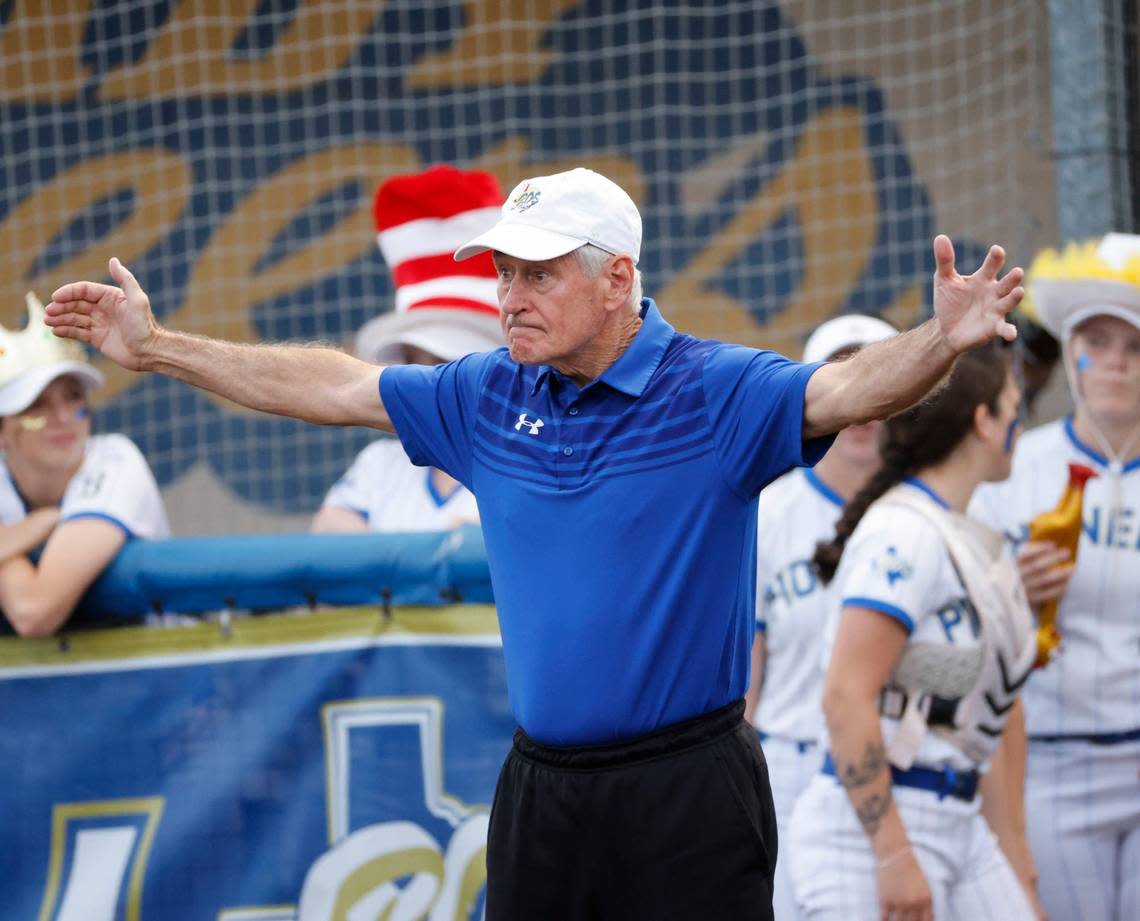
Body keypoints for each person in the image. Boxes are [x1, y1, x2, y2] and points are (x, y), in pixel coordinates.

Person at [46, 166, 1023, 921]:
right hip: (542, 792)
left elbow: (847, 393)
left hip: (690, 789)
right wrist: (159, 346)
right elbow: (334, 386)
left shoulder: (713, 388)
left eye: (539, 273)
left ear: (618, 279)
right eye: (505, 270)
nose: (510, 295)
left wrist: (941, 341)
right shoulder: (484, 393)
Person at [788, 342, 1042, 921]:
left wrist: (1020, 868)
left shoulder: (962, 530)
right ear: (984, 421)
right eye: (1013, 405)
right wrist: (893, 856)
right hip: (872, 830)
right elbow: (845, 697)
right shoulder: (904, 531)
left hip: (957, 815)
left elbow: (988, 724)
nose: (1022, 424)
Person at [971, 232, 1140, 921]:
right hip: (1049, 764)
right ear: (1070, 353)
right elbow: (951, 620)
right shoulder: (1012, 471)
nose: (1116, 365)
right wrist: (1008, 588)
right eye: (1097, 343)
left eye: (1135, 348)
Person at [743, 312, 896, 921]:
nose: (860, 409)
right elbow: (747, 667)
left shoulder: (921, 508)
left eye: (874, 380)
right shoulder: (770, 509)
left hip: (891, 770)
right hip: (792, 762)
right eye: (842, 378)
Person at [312, 165, 504, 534]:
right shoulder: (380, 465)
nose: (432, 382)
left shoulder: (533, 458)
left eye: (450, 364)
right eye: (415, 363)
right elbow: (329, 539)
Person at [0, 293, 169, 637]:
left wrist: (19, 536)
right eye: (35, 406)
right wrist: (35, 525)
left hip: (167, 674)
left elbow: (33, 610)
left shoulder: (116, 459)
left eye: (73, 397)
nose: (63, 418)